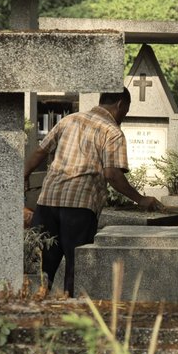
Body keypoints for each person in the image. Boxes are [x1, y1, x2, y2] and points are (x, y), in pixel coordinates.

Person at [24, 88, 162, 297]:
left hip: (48, 203)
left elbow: (40, 151)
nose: (124, 114)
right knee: (76, 269)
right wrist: (140, 199)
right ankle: (70, 318)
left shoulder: (69, 120)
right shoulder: (112, 132)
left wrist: (24, 174)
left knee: (41, 268)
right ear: (120, 105)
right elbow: (112, 174)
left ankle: (30, 313)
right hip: (80, 208)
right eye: (127, 109)